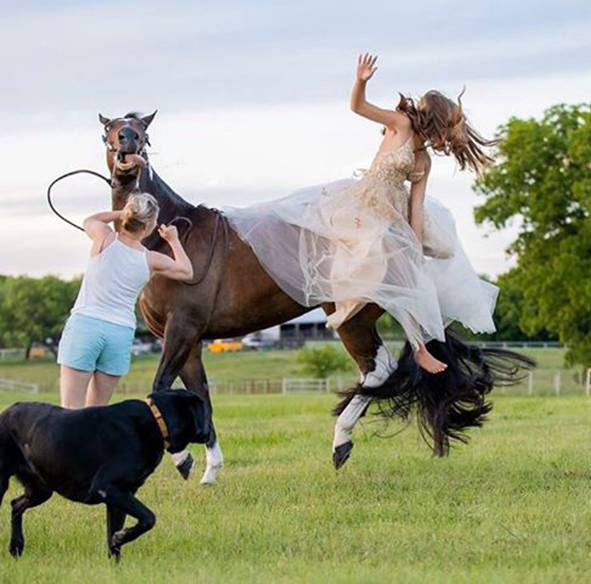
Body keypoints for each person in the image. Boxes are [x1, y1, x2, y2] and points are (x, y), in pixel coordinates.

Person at [225, 53, 499, 374]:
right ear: (435, 121)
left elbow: (416, 209)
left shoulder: (424, 162)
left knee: (409, 275)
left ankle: (420, 349)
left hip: (391, 216)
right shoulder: (401, 126)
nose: (444, 141)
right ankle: (342, 305)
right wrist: (361, 80)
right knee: (357, 253)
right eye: (445, 129)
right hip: (361, 205)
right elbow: (358, 107)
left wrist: (414, 248)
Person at [58, 192, 194, 409]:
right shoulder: (151, 259)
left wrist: (121, 213)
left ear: (128, 217)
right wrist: (174, 240)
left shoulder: (104, 237)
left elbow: (90, 220)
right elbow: (187, 272)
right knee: (97, 413)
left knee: (69, 411)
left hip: (85, 327)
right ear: (148, 226)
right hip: (119, 334)